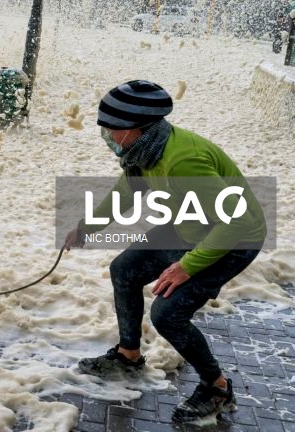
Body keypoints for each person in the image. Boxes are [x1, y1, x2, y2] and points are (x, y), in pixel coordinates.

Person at [64, 80, 267, 424]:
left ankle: (217, 388)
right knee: (124, 269)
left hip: (233, 239)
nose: (107, 136)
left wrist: (186, 267)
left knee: (167, 314)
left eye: (111, 129)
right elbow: (125, 195)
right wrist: (87, 228)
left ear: (136, 129)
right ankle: (129, 355)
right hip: (191, 225)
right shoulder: (144, 151)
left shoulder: (183, 160)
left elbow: (236, 222)